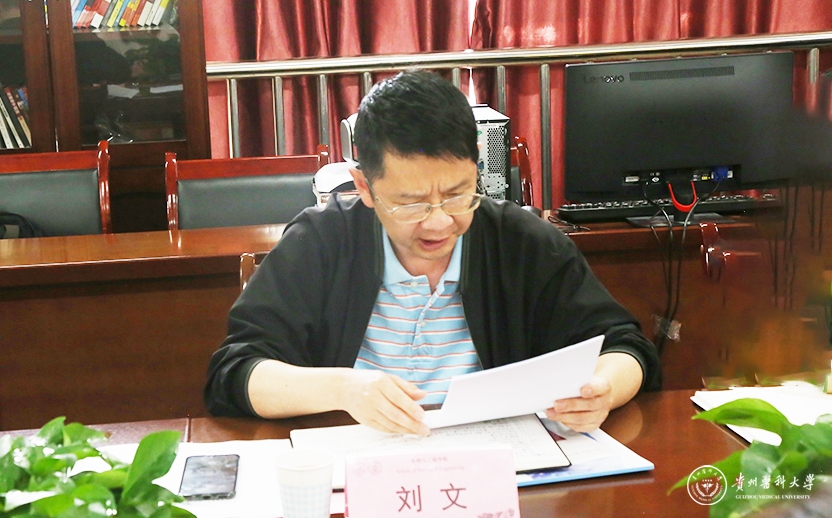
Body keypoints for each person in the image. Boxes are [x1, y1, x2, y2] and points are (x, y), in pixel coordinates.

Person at [205, 70, 661, 436]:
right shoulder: (322, 241)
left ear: (477, 162)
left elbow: (625, 347)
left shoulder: (522, 241)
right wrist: (343, 388)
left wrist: (602, 388)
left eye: (459, 194)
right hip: (355, 459)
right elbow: (236, 371)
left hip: (497, 466)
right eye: (411, 203)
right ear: (363, 185)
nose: (439, 222)